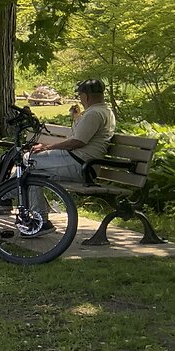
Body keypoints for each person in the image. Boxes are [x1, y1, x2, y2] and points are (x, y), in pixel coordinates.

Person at [23, 78, 115, 237]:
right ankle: (40, 221)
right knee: (31, 174)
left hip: (80, 165)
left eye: (80, 95)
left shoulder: (94, 113)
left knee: (27, 159)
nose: (80, 99)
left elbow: (76, 142)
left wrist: (47, 147)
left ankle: (3, 199)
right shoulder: (105, 111)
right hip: (82, 163)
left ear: (85, 96)